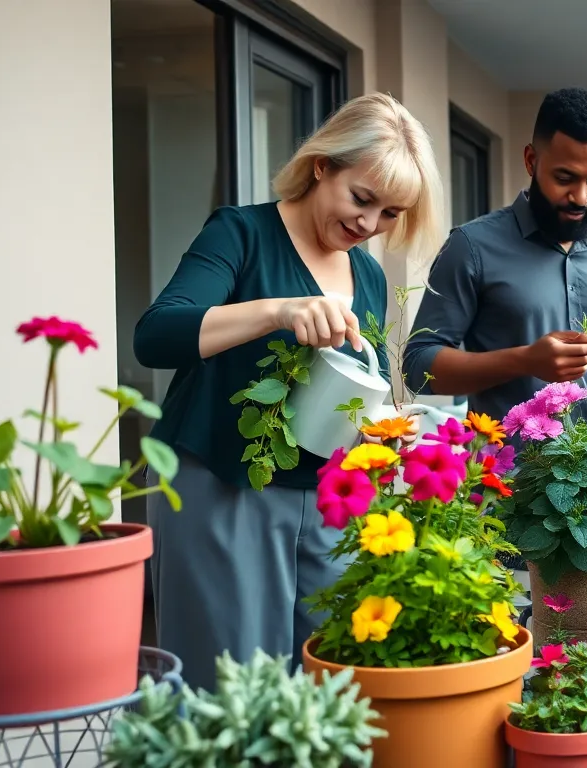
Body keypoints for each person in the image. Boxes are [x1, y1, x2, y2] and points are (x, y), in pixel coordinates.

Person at [133, 93, 445, 691]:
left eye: (389, 214)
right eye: (362, 198)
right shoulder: (242, 233)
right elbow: (156, 335)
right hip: (222, 484)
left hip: (329, 501)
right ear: (323, 165)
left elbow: (358, 388)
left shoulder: (370, 277)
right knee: (226, 687)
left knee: (331, 686)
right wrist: (278, 310)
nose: (369, 224)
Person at [403, 87, 587, 424]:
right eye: (565, 178)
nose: (581, 197)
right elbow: (416, 366)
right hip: (507, 473)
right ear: (531, 161)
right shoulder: (470, 246)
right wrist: (525, 361)